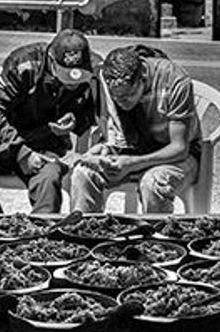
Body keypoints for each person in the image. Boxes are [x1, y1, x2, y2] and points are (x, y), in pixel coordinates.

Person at [0, 29, 99, 214]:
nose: (72, 85)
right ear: (52, 61)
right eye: (66, 77)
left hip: (47, 146)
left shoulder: (95, 69)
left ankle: (39, 237)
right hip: (6, 140)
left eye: (77, 78)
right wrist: (22, 153)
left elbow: (95, 115)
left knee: (48, 183)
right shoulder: (25, 64)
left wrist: (75, 121)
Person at [68, 45, 203, 214]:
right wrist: (105, 149)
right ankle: (85, 234)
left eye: (127, 96)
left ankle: (155, 238)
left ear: (143, 78)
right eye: (115, 96)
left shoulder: (174, 80)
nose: (120, 101)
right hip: (131, 151)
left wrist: (132, 163)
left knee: (153, 183)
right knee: (83, 173)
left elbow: (179, 149)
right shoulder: (106, 78)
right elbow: (113, 132)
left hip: (176, 157)